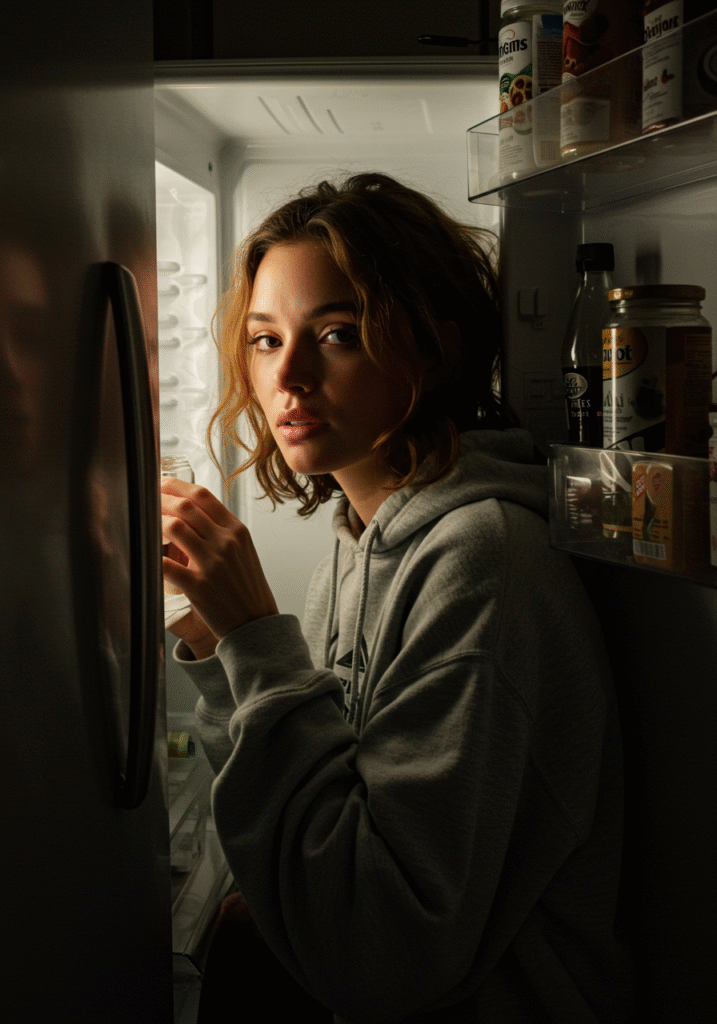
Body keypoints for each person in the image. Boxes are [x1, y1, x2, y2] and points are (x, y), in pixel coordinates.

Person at [161, 172, 634, 1023]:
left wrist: (259, 635)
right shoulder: (358, 540)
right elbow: (316, 808)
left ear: (432, 348)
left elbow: (383, 950)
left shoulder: (483, 562)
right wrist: (216, 634)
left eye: (336, 334)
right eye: (265, 339)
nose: (288, 375)